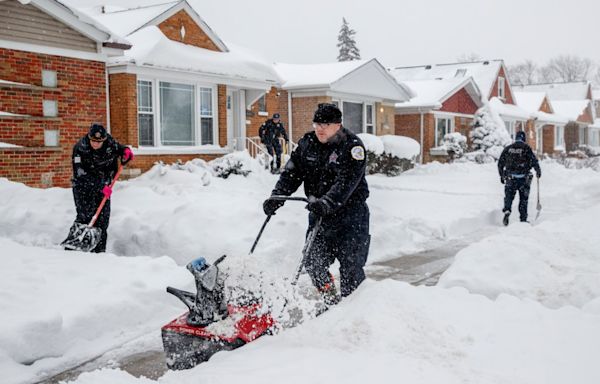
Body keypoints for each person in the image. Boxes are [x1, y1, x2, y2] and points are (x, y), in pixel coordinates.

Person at [262, 103, 370, 305]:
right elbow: (292, 173)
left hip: (351, 218)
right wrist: (277, 197)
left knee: (351, 271)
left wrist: (327, 202)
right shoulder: (307, 143)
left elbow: (346, 182)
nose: (320, 128)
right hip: (320, 216)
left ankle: (353, 312)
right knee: (313, 262)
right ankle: (331, 300)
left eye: (326, 124)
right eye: (317, 123)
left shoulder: (352, 146)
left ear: (338, 125)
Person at [71, 123, 133, 252]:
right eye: (93, 141)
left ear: (104, 139)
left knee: (102, 221)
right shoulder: (80, 148)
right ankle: (76, 249)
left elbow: (121, 149)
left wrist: (126, 151)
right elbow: (80, 173)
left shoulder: (110, 144)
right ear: (89, 138)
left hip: (104, 187)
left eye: (99, 142)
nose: (95, 144)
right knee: (85, 217)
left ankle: (99, 252)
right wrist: (100, 186)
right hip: (83, 187)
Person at [498, 130, 541, 225]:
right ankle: (523, 219)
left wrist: (501, 175)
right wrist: (538, 171)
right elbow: (534, 161)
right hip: (524, 179)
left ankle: (507, 210)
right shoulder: (526, 148)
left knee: (509, 196)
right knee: (523, 200)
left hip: (510, 178)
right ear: (524, 139)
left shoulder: (508, 148)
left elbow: (500, 163)